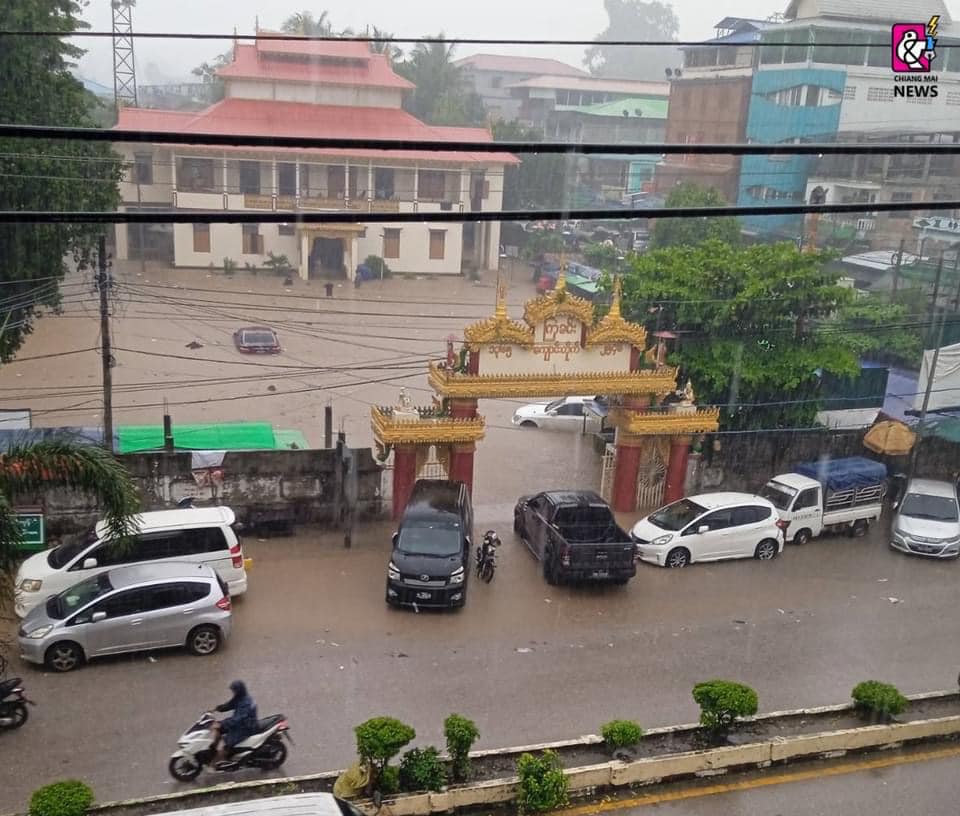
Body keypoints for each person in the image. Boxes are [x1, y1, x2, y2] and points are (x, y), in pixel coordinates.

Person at [211, 680, 258, 766]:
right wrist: (217, 709)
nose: (233, 692)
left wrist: (222, 724)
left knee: (227, 744)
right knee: (218, 728)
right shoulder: (240, 697)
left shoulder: (246, 703)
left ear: (239, 690)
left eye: (234, 690)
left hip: (246, 727)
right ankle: (212, 751)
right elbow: (230, 705)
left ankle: (220, 762)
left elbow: (237, 720)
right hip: (240, 724)